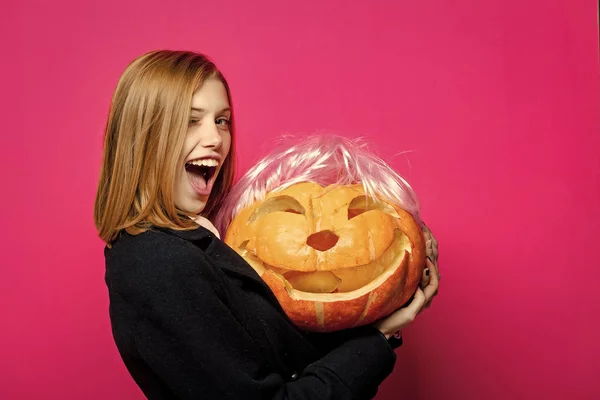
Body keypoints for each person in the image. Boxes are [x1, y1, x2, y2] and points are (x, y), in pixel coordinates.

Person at [94, 49, 440, 400]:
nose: (215, 139)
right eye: (190, 120)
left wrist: (393, 303)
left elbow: (284, 352)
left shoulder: (196, 240)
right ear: (143, 137)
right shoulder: (157, 265)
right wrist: (378, 340)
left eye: (221, 120)